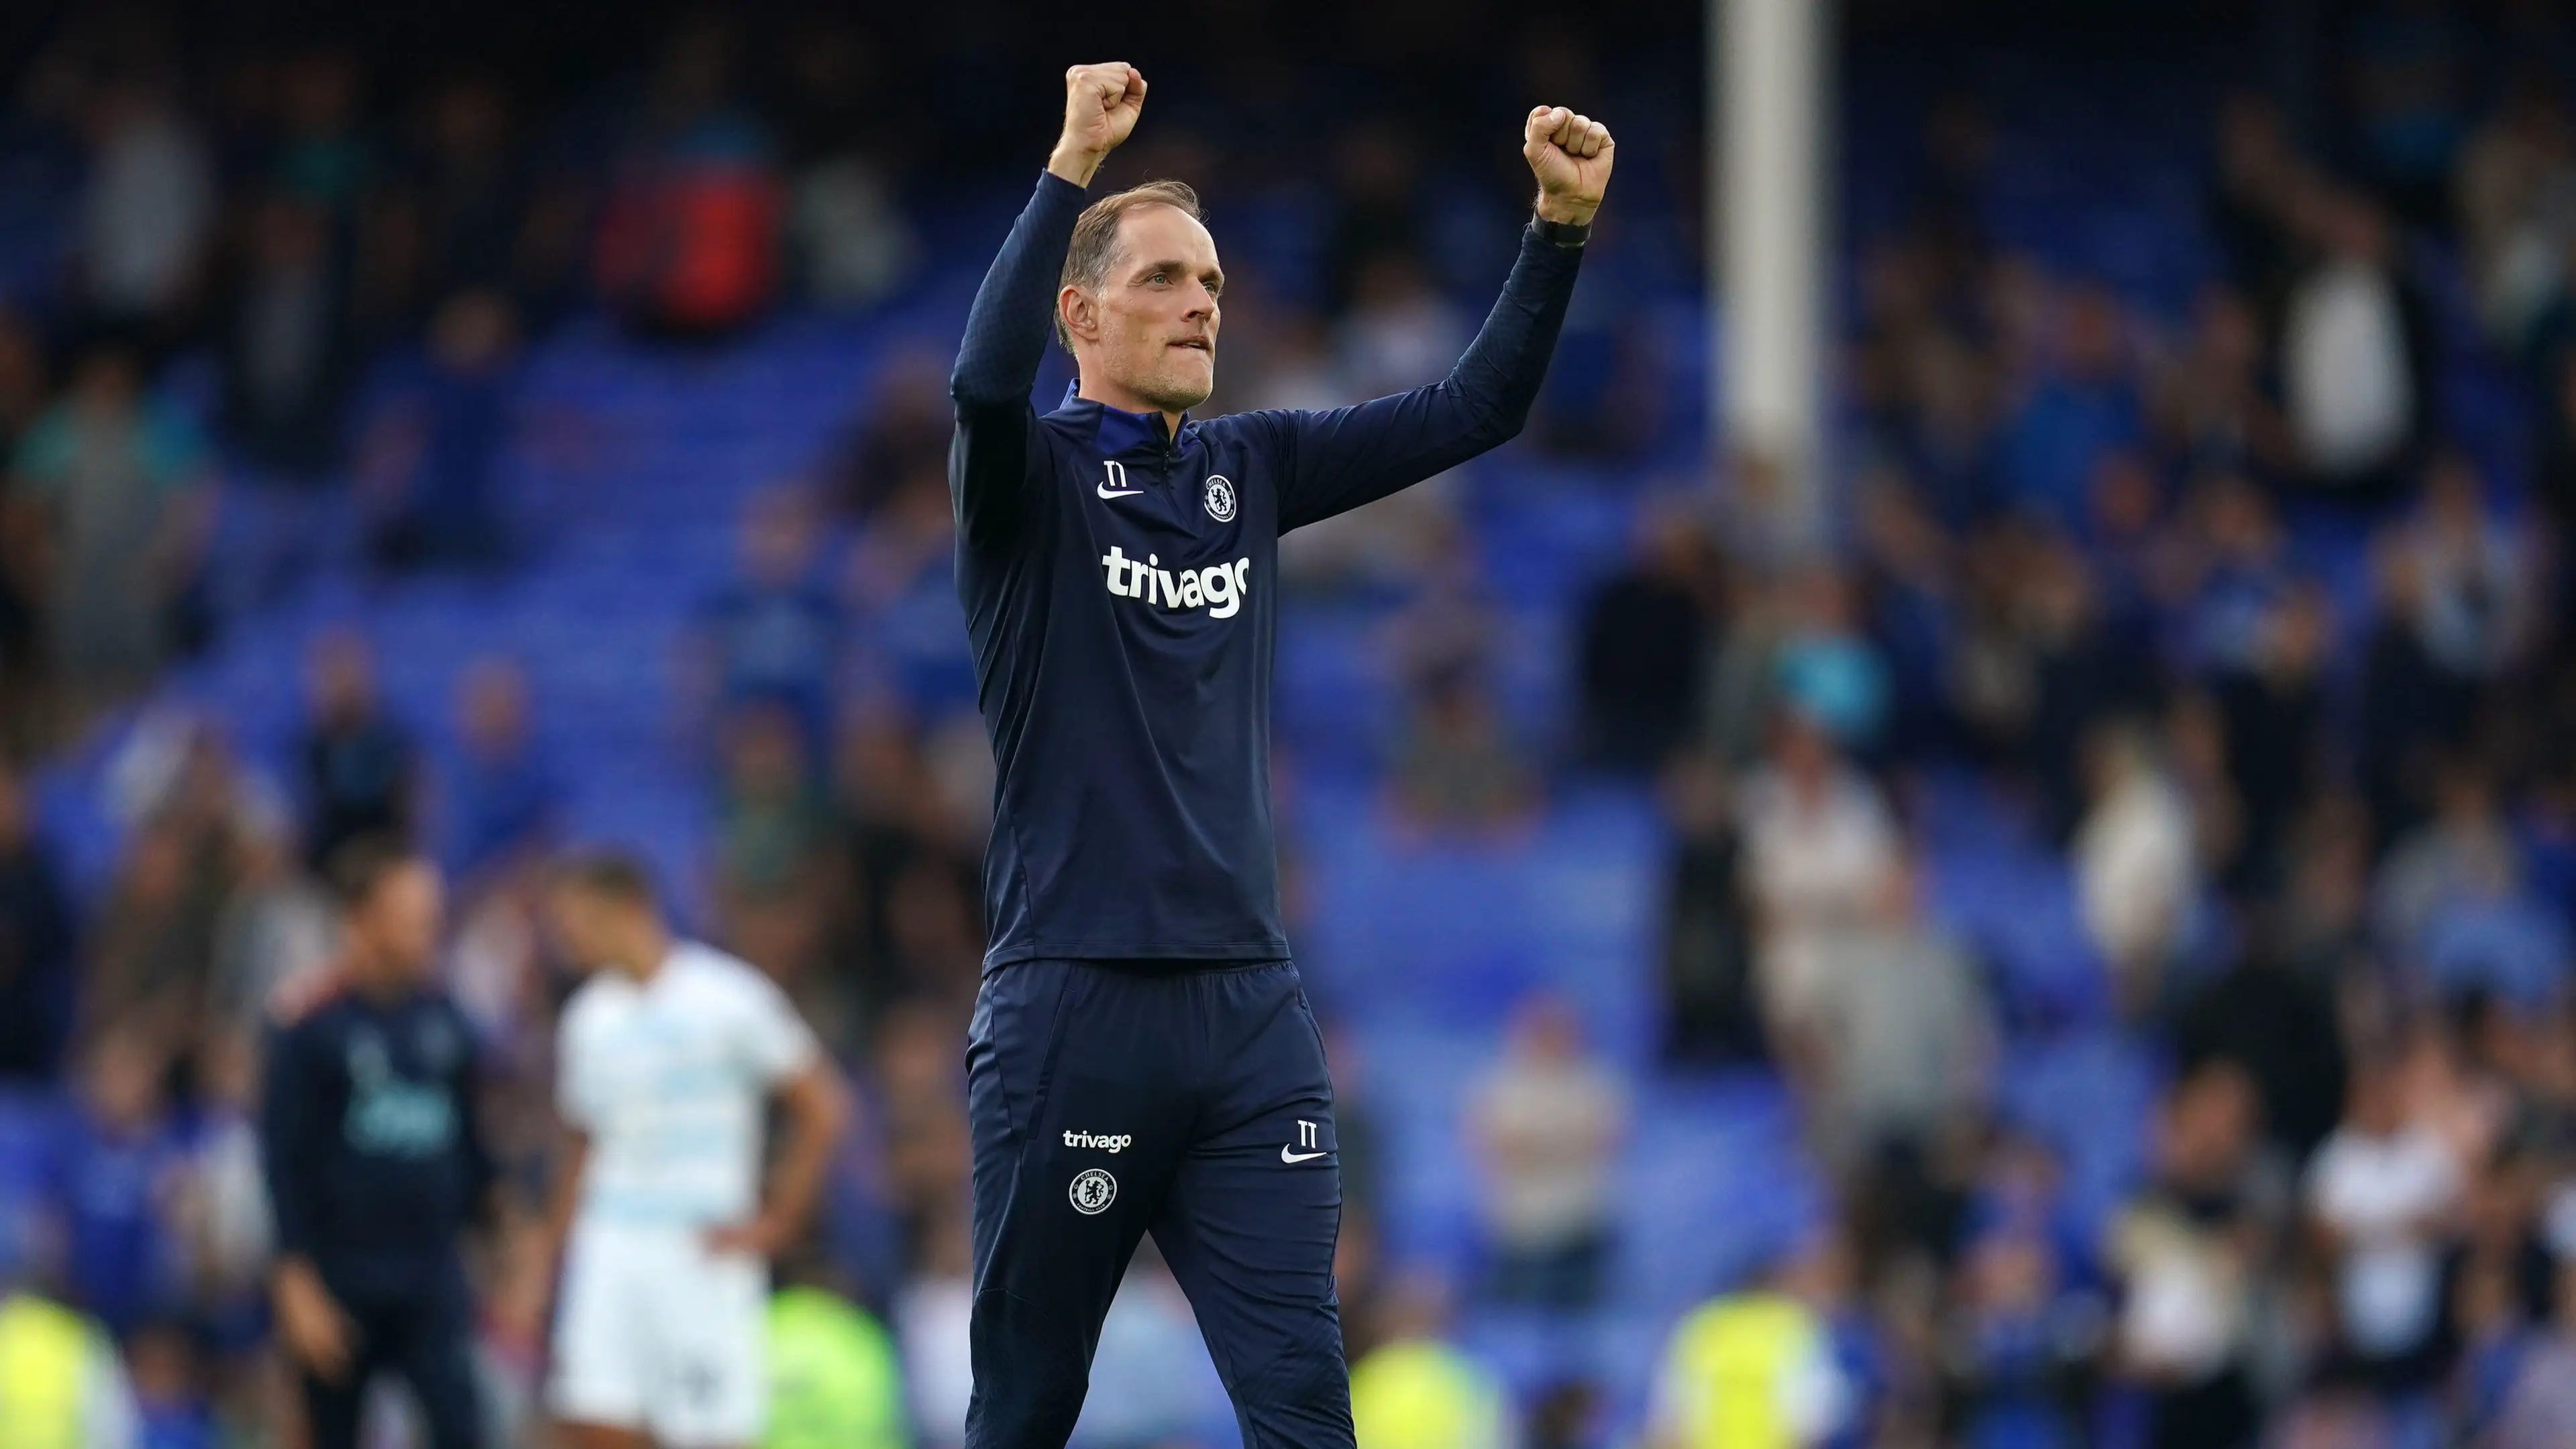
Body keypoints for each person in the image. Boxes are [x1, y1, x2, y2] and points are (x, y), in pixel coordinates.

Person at [945, 61, 1609, 1448]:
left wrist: (1558, 227)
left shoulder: (1251, 467)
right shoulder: (1035, 487)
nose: (1204, 304)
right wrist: (1071, 160)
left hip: (1248, 1012)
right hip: (1076, 1005)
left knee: (1306, 1404)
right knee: (1024, 1406)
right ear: (1082, 314)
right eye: (1168, 280)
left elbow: (1477, 408)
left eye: (1216, 286)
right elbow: (980, 380)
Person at [533, 849, 849, 1449]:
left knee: (710, 1433)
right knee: (594, 1422)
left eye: (576, 922)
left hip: (702, 1249)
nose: (566, 940)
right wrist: (553, 1256)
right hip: (611, 1245)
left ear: (628, 909)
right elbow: (579, 1148)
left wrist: (779, 1222)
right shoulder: (587, 1019)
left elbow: (823, 1106)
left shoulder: (726, 996)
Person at [258, 841, 496, 1449]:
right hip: (341, 1279)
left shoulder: (446, 1018)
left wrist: (506, 1237)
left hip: (430, 1276)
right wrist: (295, 1281)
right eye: (411, 914)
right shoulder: (307, 1025)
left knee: (462, 1428)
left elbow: (470, 1146)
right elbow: (282, 1159)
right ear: (360, 919)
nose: (429, 928)